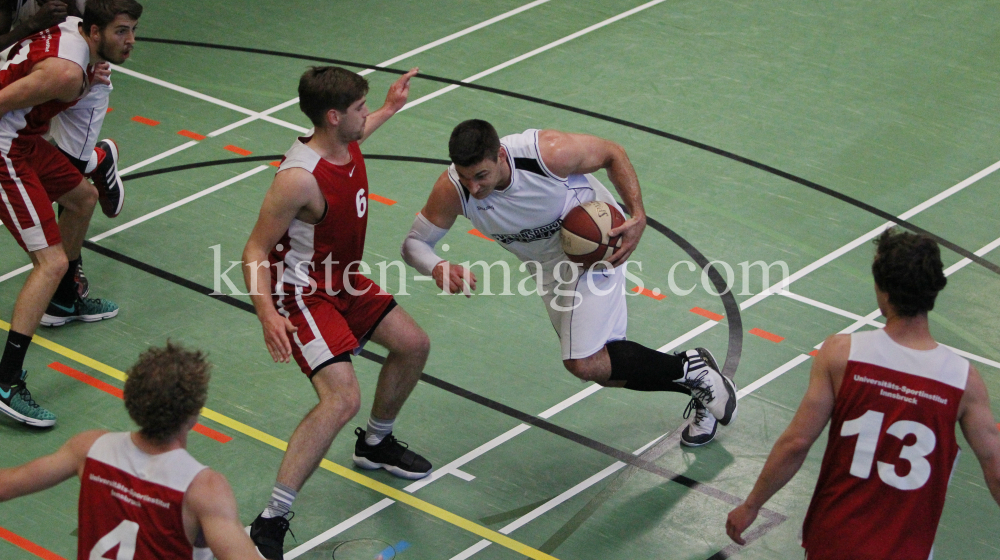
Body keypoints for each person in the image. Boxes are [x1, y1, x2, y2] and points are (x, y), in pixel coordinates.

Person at [401, 120, 737, 447]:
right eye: (465, 177)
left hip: (594, 247)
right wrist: (436, 266)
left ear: (501, 155)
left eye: (481, 176)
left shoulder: (547, 153)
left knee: (583, 360)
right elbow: (414, 244)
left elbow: (613, 153)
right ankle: (697, 378)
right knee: (603, 367)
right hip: (547, 268)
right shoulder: (453, 190)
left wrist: (637, 215)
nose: (474, 187)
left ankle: (694, 372)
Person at [242, 65, 430, 560]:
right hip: (303, 295)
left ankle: (375, 444)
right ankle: (270, 521)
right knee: (339, 399)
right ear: (332, 116)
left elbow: (364, 129)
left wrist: (390, 106)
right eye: (359, 109)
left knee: (413, 345)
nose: (365, 116)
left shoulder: (344, 140)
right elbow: (255, 251)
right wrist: (266, 313)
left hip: (344, 281)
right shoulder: (298, 179)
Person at [726, 229, 1000, 558]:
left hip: (834, 542)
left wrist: (752, 504)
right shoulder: (963, 380)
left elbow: (797, 443)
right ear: (935, 290)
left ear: (882, 289)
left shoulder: (841, 353)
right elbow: (995, 468)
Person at [0, 0, 139, 428]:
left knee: (82, 197)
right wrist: (77, 85)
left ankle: (63, 299)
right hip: (4, 149)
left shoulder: (73, 32)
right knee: (51, 260)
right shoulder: (64, 72)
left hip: (24, 140)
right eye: (120, 31)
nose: (130, 40)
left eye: (133, 30)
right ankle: (5, 384)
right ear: (94, 32)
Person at [0, 343, 263, 559]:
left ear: (131, 398)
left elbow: (6, 485)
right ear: (194, 412)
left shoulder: (89, 448)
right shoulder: (204, 489)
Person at [1, 0, 127, 298]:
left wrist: (86, 76)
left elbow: (109, 33)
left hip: (86, 78)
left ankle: (68, 272)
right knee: (61, 176)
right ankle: (99, 160)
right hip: (38, 71)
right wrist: (32, 25)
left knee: (73, 178)